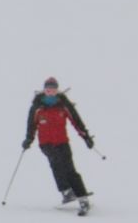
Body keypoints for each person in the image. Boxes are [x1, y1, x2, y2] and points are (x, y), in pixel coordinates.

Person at [22, 76, 95, 214]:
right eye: (48, 90)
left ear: (57, 90)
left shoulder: (63, 105)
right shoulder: (37, 107)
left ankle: (82, 197)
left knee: (69, 168)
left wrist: (85, 137)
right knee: (56, 163)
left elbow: (76, 121)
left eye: (53, 90)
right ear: (44, 90)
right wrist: (28, 139)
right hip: (46, 143)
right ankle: (66, 191)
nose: (51, 92)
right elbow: (31, 125)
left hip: (62, 142)